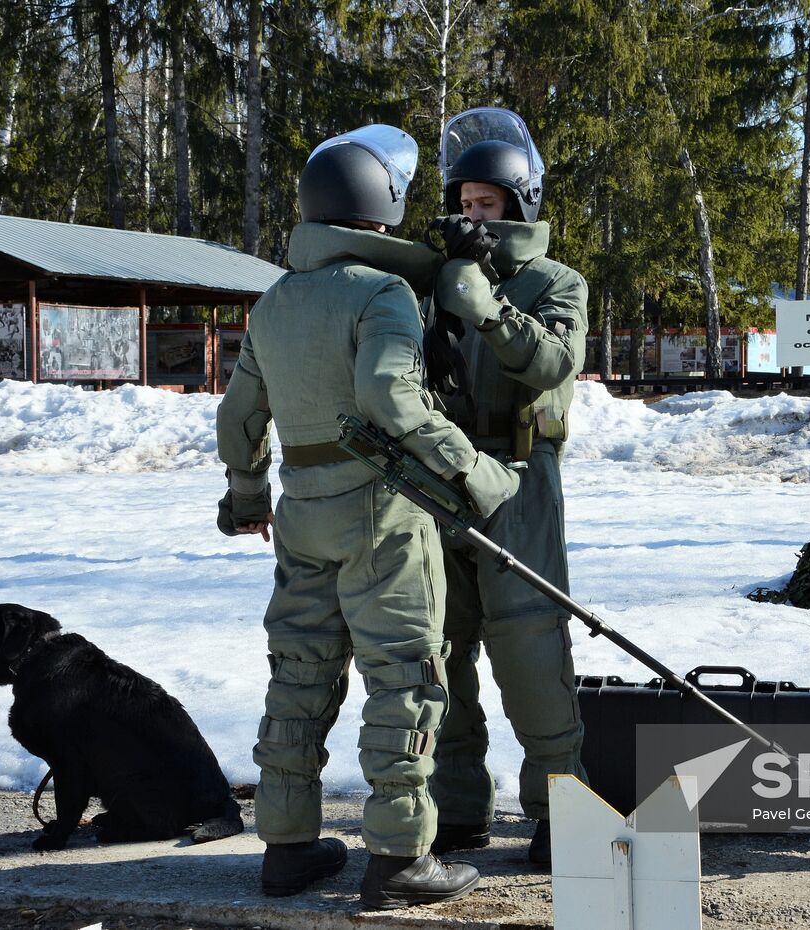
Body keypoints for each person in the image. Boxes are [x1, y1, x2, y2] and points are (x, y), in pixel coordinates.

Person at [215, 125, 520, 909]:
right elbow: (394, 400)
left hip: (301, 510)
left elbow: (240, 415)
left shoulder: (276, 300)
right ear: (384, 204)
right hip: (382, 512)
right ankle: (397, 857)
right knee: (403, 678)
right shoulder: (381, 292)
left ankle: (285, 846)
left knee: (300, 672)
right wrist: (480, 473)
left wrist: (247, 498)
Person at [423, 107, 590, 867]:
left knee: (528, 648)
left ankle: (560, 804)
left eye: (486, 204)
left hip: (521, 480)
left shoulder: (555, 281)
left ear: (519, 205)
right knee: (442, 646)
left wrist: (482, 301)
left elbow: (552, 364)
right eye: (463, 203)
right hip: (439, 475)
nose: (470, 215)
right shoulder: (433, 278)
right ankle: (458, 806)